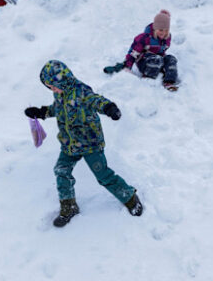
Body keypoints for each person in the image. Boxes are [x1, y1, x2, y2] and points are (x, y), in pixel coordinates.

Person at [25, 60, 144, 227]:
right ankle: (69, 207)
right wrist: (41, 112)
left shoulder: (81, 91)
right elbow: (57, 109)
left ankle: (130, 197)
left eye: (53, 86)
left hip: (90, 144)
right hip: (69, 144)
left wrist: (109, 107)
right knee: (61, 171)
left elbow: (96, 100)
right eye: (49, 87)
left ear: (63, 80)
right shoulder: (60, 94)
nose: (52, 90)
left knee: (103, 175)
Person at [113, 9, 179, 90]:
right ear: (155, 28)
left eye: (166, 30)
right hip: (144, 61)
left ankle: (169, 81)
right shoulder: (144, 38)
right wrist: (128, 66)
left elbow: (163, 51)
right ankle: (148, 78)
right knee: (156, 59)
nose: (163, 33)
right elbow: (133, 53)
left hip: (158, 59)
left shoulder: (167, 37)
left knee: (171, 58)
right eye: (160, 30)